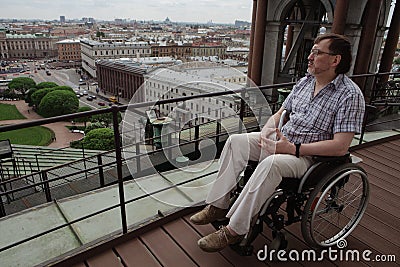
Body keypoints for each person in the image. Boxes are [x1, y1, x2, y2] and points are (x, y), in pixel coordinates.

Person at [190, 33, 366, 252]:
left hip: (309, 157)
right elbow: (281, 112)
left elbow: (341, 146)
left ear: (335, 60)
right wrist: (266, 132)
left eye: (317, 52)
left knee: (270, 164)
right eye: (312, 51)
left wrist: (293, 148)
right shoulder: (305, 82)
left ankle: (234, 231)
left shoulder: (350, 95)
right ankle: (218, 205)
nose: (310, 57)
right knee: (236, 141)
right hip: (284, 141)